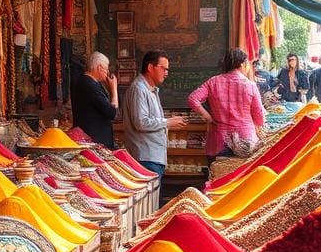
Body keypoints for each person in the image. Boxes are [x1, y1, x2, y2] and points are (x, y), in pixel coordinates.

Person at [189, 48, 266, 160]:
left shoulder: (213, 82)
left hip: (219, 141)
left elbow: (193, 99)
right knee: (243, 177)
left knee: (218, 175)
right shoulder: (250, 85)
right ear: (242, 64)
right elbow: (259, 118)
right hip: (246, 142)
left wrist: (209, 117)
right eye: (247, 63)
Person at [121, 50, 188, 180]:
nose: (166, 73)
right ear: (150, 67)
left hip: (153, 157)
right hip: (145, 157)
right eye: (163, 68)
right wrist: (167, 122)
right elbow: (141, 122)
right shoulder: (139, 89)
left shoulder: (151, 90)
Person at [71, 52, 119, 148]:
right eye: (106, 68)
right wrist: (114, 89)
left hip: (92, 137)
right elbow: (112, 112)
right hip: (94, 140)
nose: (107, 72)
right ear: (100, 67)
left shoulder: (86, 82)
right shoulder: (90, 85)